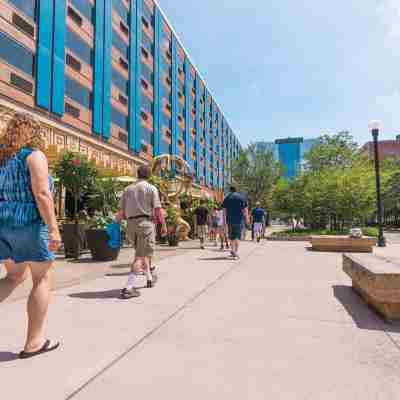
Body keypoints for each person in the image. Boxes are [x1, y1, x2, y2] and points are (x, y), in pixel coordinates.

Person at [0, 113, 61, 359]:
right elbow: (42, 193)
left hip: (4, 221)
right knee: (41, 278)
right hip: (30, 222)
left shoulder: (3, 160)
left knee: (13, 277)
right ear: (35, 133)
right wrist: (54, 228)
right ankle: (34, 342)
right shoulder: (34, 156)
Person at [116, 165, 167, 299]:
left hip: (130, 225)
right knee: (139, 256)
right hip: (145, 224)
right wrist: (163, 225)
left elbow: (120, 212)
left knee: (141, 253)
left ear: (137, 174)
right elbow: (157, 210)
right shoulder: (151, 188)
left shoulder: (127, 189)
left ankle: (149, 279)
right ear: (149, 175)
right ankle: (128, 288)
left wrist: (117, 225)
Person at [222, 186, 250, 260]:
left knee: (231, 237)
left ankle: (233, 251)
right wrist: (247, 219)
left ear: (230, 191)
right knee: (237, 236)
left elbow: (224, 211)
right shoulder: (242, 198)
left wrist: (224, 222)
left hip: (229, 221)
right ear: (236, 190)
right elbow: (245, 210)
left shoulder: (227, 198)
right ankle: (236, 252)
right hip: (239, 220)